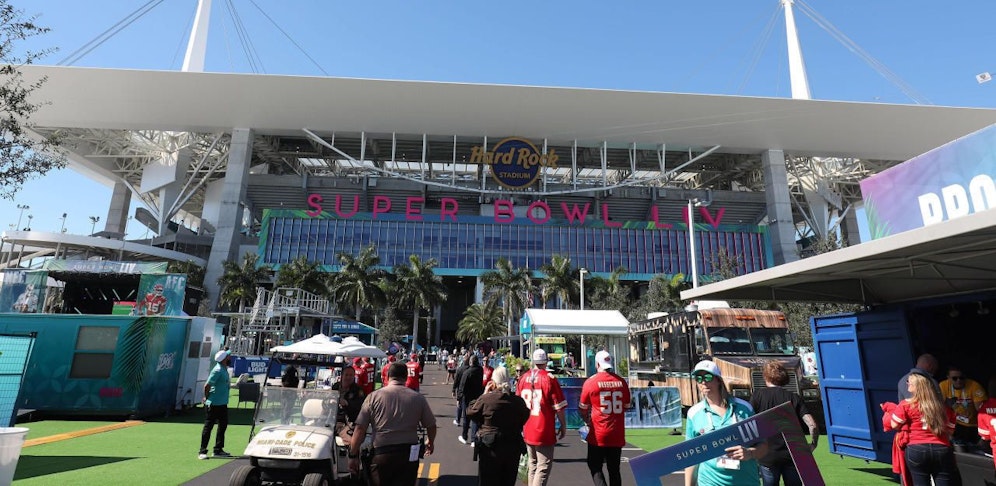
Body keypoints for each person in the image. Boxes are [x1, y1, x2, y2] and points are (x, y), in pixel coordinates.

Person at [349, 362, 437, 486]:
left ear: (388, 376)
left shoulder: (373, 397)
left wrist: (353, 455)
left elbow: (360, 428)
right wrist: (430, 442)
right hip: (408, 454)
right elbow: (431, 425)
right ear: (406, 377)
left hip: (381, 454)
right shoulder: (418, 398)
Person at [684, 360, 764, 486]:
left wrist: (750, 453)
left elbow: (764, 446)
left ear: (718, 380)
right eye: (699, 378)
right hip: (709, 482)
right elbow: (691, 457)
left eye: (708, 377)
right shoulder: (694, 413)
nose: (703, 382)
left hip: (746, 482)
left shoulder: (745, 408)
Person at [750, 361, 820, 486]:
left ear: (765, 376)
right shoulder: (793, 397)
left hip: (767, 455)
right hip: (792, 455)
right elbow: (812, 425)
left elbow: (748, 423)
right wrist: (813, 444)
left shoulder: (757, 396)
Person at [885, 373, 961, 486]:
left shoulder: (905, 405)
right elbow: (950, 431)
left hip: (916, 449)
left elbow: (894, 425)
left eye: (909, 382)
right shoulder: (943, 407)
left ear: (915, 386)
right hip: (942, 449)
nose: (907, 384)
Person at [467, 366, 530, 486]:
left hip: (490, 446)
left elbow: (471, 412)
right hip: (512, 445)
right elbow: (525, 417)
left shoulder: (487, 399)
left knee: (488, 480)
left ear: (493, 382)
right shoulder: (518, 401)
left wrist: (484, 393)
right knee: (508, 480)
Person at [579, 350, 631, 486]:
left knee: (595, 465)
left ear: (597, 364)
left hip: (598, 433)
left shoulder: (591, 382)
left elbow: (583, 408)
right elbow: (626, 405)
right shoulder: (621, 382)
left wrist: (586, 420)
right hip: (617, 432)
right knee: (614, 470)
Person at [517, 348, 568, 486]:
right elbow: (558, 406)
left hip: (528, 426)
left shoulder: (523, 378)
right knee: (543, 467)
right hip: (543, 428)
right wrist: (563, 425)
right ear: (545, 362)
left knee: (533, 464)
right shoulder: (549, 379)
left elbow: (517, 403)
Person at [199, 349, 234, 460]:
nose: (230, 358)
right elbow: (207, 385)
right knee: (208, 427)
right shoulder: (218, 370)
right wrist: (206, 397)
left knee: (222, 426)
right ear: (224, 359)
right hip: (213, 404)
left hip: (222, 404)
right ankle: (202, 451)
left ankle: (218, 450)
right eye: (228, 357)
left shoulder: (223, 369)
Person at [938, 365, 987, 444]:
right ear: (948, 378)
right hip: (955, 424)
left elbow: (982, 410)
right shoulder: (943, 386)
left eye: (961, 378)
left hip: (973, 424)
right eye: (954, 378)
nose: (958, 381)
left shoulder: (974, 386)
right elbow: (938, 408)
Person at [331, 365, 367, 445]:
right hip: (331, 420)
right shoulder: (336, 386)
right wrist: (329, 401)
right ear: (342, 375)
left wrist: (347, 403)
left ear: (354, 376)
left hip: (347, 422)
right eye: (346, 375)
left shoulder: (357, 390)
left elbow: (360, 405)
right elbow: (327, 400)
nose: (348, 377)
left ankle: (351, 456)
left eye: (351, 375)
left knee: (351, 441)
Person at [458, 355, 485, 445]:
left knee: (466, 418)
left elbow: (462, 387)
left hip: (467, 397)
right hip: (477, 396)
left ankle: (464, 436)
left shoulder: (467, 372)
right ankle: (474, 439)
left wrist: (459, 398)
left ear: (470, 362)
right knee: (475, 418)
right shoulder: (480, 370)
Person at [453, 354, 471, 426]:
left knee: (459, 405)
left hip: (460, 389)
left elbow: (456, 380)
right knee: (467, 406)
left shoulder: (460, 369)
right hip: (469, 390)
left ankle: (458, 420)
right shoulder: (471, 370)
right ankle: (466, 421)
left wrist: (453, 390)